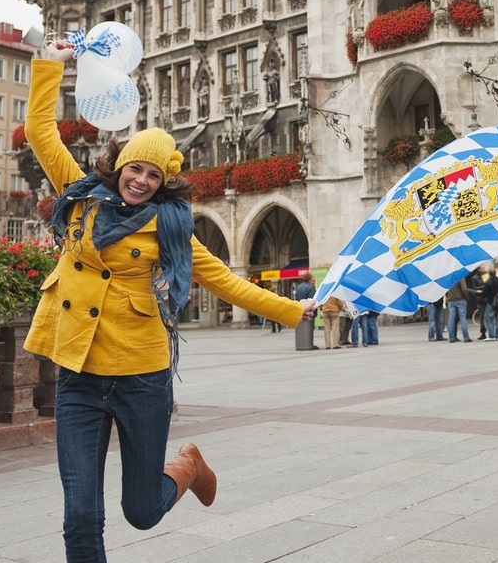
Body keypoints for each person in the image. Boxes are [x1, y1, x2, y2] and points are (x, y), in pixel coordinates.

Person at [26, 43, 317, 563]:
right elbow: (39, 133)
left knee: (141, 511)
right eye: (135, 169)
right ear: (119, 166)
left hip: (142, 377)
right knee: (82, 519)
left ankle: (186, 466)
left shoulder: (172, 226)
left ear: (164, 183)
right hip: (79, 376)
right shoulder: (80, 194)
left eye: (153, 176)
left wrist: (298, 310)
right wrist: (50, 64)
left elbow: (227, 283)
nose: (141, 181)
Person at [446, 278, 473, 343]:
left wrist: (449, 296)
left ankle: (451, 338)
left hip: (451, 300)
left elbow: (445, 289)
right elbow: (464, 288)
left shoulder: (449, 276)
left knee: (451, 319)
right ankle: (466, 337)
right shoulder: (460, 276)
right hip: (460, 299)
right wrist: (466, 297)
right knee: (463, 319)